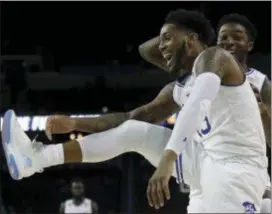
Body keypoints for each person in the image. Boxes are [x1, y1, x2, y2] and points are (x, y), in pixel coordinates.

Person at [0, 9, 268, 213]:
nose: (161, 46)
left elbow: (198, 105)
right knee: (133, 131)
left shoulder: (215, 58)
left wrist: (166, 161)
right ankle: (35, 159)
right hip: (204, 161)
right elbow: (130, 117)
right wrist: (74, 123)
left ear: (191, 40)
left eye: (167, 39)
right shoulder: (179, 87)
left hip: (237, 166)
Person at [139, 12, 271, 213]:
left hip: (247, 169)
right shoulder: (199, 73)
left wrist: (262, 113)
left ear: (249, 44)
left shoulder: (261, 83)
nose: (229, 42)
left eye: (237, 37)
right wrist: (182, 30)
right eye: (223, 37)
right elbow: (145, 51)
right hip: (210, 168)